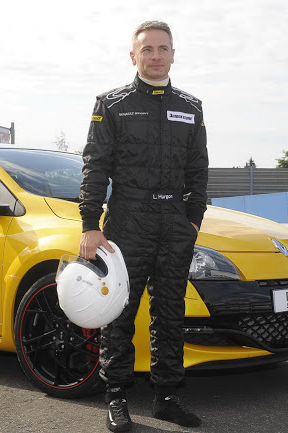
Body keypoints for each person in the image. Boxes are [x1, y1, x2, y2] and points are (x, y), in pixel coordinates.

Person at [79, 20, 208, 432]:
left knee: (170, 312)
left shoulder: (191, 107)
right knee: (120, 312)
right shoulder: (111, 104)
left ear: (173, 54)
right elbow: (95, 166)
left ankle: (167, 396)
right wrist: (89, 223)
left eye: (162, 49)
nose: (155, 56)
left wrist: (193, 220)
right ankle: (116, 397)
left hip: (174, 222)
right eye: (147, 49)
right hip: (127, 221)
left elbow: (198, 171)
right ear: (133, 56)